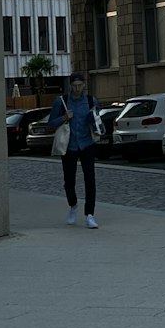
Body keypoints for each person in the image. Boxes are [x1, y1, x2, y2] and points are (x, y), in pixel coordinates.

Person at [49, 72, 100, 227]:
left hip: (87, 144)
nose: (77, 89)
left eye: (80, 85)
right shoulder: (62, 101)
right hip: (69, 145)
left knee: (90, 179)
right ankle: (73, 205)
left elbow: (98, 121)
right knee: (69, 181)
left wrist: (94, 120)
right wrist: (64, 117)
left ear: (84, 85)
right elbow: (51, 123)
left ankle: (90, 214)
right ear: (70, 86)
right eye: (74, 86)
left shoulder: (91, 100)